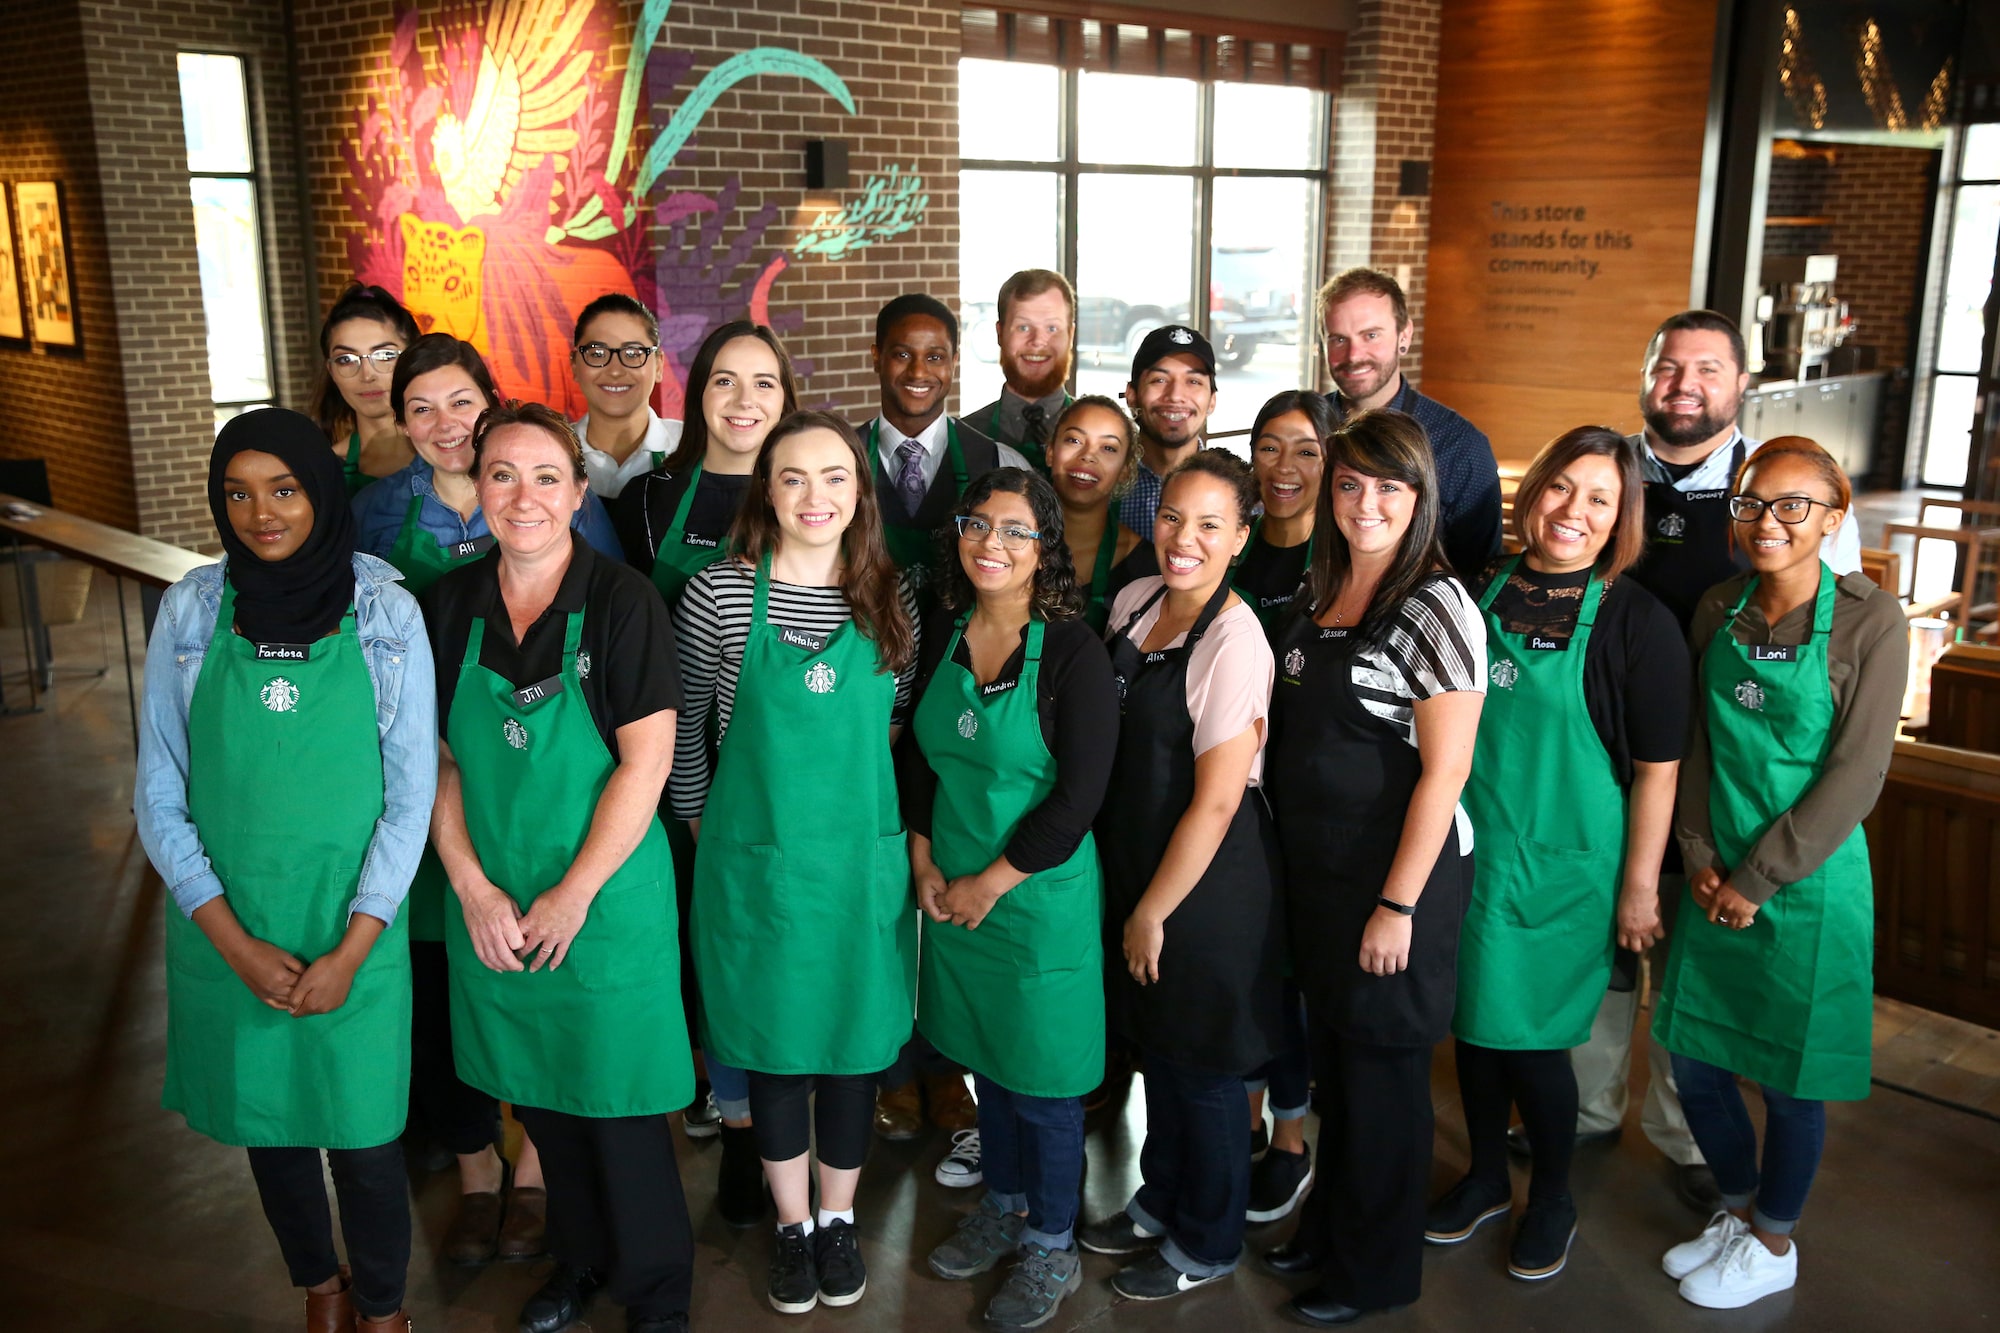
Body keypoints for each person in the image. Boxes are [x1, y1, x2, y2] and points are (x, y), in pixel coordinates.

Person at [1557, 310, 1864, 1216]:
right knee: (1605, 946)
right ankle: (1586, 1108)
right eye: (1668, 367)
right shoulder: (1607, 472)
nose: (1683, 385)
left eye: (1707, 369)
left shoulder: (1777, 483)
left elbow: (1837, 622)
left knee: (1693, 954)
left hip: (1720, 769)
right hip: (1600, 750)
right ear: (1645, 374)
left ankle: (1687, 1133)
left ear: (1742, 384)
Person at [135, 408, 435, 1332]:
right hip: (233, 921)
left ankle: (383, 1309)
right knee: (271, 1128)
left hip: (354, 923)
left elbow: (409, 797)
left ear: (321, 493)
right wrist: (233, 942)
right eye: (238, 493)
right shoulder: (191, 610)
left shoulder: (385, 613)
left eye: (284, 489)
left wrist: (352, 947)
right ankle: (321, 1285)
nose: (261, 513)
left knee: (367, 1140)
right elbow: (159, 792)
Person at [424, 402, 695, 1333]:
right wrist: (471, 886)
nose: (524, 496)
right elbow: (439, 763)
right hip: (496, 901)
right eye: (502, 474)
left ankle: (656, 1295)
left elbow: (646, 763)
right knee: (541, 1098)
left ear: (580, 492)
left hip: (603, 904)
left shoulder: (622, 602)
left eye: (547, 476)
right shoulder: (448, 606)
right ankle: (578, 1262)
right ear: (477, 487)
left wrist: (573, 893)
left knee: (618, 1107)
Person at [356, 334, 608, 1267]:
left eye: (460, 402)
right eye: (420, 407)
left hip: (540, 786)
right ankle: (473, 1173)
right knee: (442, 985)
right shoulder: (377, 513)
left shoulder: (549, 495)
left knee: (538, 978)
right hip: (425, 781)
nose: (443, 423)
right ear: (399, 420)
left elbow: (604, 620)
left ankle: (533, 1167)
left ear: (490, 403)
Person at [672, 412, 921, 1316]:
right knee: (774, 1054)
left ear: (860, 492)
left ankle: (839, 1219)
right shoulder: (719, 595)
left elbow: (891, 730)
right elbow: (685, 732)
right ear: (766, 491)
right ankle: (791, 1225)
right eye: (793, 477)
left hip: (858, 872)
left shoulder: (890, 597)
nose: (816, 496)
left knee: (854, 1053)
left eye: (835, 476)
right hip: (753, 868)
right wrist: (711, 830)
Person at [1652, 436, 1905, 1310]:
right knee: (1695, 1061)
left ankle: (1773, 1239)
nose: (1768, 521)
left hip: (1806, 886)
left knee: (1792, 1083)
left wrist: (1756, 878)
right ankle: (1736, 1208)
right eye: (1752, 502)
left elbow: (1858, 773)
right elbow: (1695, 743)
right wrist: (1698, 857)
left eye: (1794, 505)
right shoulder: (1718, 606)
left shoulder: (1872, 620)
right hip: (1713, 871)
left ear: (1833, 519)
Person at [1431, 427, 1688, 1284]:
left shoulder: (1636, 622)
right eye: (1561, 487)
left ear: (1621, 519)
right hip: (1468, 852)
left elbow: (1658, 771)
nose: (1574, 511)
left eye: (1599, 499)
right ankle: (1483, 1178)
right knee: (1474, 1025)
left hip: (1566, 868)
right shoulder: (1475, 590)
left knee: (1535, 1042)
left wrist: (1640, 887)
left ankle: (1551, 1197)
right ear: (1533, 490)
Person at [1259, 408, 1485, 1327]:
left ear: (1421, 495)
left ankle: (1374, 1272)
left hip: (1396, 880)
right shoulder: (1324, 585)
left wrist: (1396, 905)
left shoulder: (1435, 605)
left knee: (1385, 1084)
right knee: (1340, 1073)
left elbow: (1446, 772)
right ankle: (1329, 1231)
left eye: (1389, 486)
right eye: (1350, 483)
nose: (1366, 503)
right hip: (1323, 874)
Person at [904, 468, 1119, 1329]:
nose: (991, 543)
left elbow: (1079, 797)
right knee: (988, 1064)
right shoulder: (944, 631)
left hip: (1032, 902)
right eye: (977, 524)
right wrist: (924, 857)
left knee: (1046, 1083)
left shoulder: (1072, 653)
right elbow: (919, 758)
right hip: (954, 893)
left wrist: (990, 882)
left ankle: (1051, 1242)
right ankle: (1004, 1202)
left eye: (1015, 530)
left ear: (1044, 548)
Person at [1077, 450, 1284, 1302]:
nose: (1183, 539)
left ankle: (1208, 1237)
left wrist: (1153, 910)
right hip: (1136, 859)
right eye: (1172, 517)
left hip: (1205, 885)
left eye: (1208, 524)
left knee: (1203, 1067)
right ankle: (1159, 1197)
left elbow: (1218, 800)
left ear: (1241, 537)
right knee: (1160, 1047)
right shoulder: (1135, 600)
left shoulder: (1236, 639)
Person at [613, 319, 801, 1228]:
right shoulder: (649, 500)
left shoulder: (812, 493)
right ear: (696, 395)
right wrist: (684, 798)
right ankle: (735, 1129)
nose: (743, 400)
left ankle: (786, 1129)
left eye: (764, 382)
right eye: (725, 380)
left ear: (787, 398)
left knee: (778, 952)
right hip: (671, 775)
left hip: (787, 781)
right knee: (705, 954)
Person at [1235, 389, 1334, 1227]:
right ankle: (1244, 1122)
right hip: (1235, 794)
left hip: (1314, 800)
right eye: (1269, 446)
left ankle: (1292, 1138)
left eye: (1305, 449)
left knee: (1294, 979)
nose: (1285, 466)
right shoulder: (1232, 549)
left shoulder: (1341, 561)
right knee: (1247, 967)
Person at [1318, 267, 1502, 579]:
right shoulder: (1307, 430)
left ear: (1404, 336)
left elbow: (1478, 573)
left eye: (1371, 335)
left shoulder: (1461, 446)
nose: (1354, 354)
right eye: (1338, 339)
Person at [862, 293, 1032, 576]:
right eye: (902, 355)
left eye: (935, 357)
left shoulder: (1001, 463)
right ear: (877, 357)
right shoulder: (840, 458)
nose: (918, 372)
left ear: (954, 361)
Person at [1043, 395, 1142, 632]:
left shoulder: (1144, 565)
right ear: (1050, 452)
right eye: (1074, 440)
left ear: (1125, 470)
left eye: (1108, 448)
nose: (1088, 455)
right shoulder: (1009, 542)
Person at [570, 293, 683, 498]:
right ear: (575, 365)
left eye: (632, 354)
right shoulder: (550, 450)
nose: (615, 371)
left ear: (659, 365)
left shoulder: (693, 448)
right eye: (597, 354)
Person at [315, 282, 419, 495]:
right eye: (346, 359)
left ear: (413, 358)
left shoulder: (450, 452)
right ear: (331, 370)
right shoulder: (326, 470)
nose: (367, 375)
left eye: (385, 355)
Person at [967, 268, 1077, 470]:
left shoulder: (1103, 441)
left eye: (1052, 328)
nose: (1038, 341)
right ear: (1000, 334)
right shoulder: (961, 440)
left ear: (1070, 335)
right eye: (1023, 327)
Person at [1115, 325, 1219, 537]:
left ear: (1212, 401)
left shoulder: (1231, 492)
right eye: (1159, 380)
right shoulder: (1102, 482)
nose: (1175, 395)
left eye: (1193, 381)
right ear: (1132, 395)